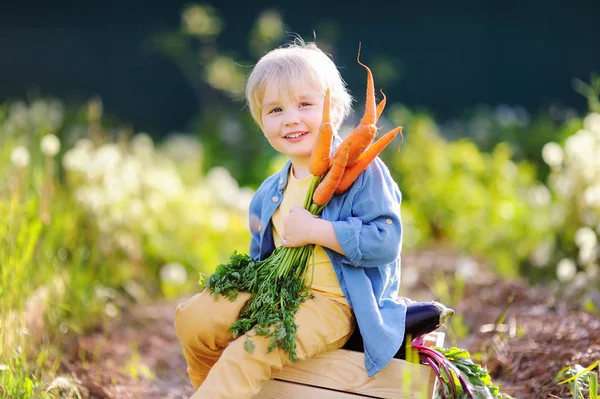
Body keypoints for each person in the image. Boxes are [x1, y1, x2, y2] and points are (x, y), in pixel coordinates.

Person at [174, 38, 406, 399]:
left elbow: (386, 242)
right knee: (194, 318)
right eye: (275, 110)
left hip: (336, 303)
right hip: (282, 290)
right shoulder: (269, 192)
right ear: (261, 121)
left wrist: (320, 230)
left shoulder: (364, 173)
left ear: (335, 109)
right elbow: (259, 257)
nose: (291, 118)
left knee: (251, 350)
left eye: (305, 104)